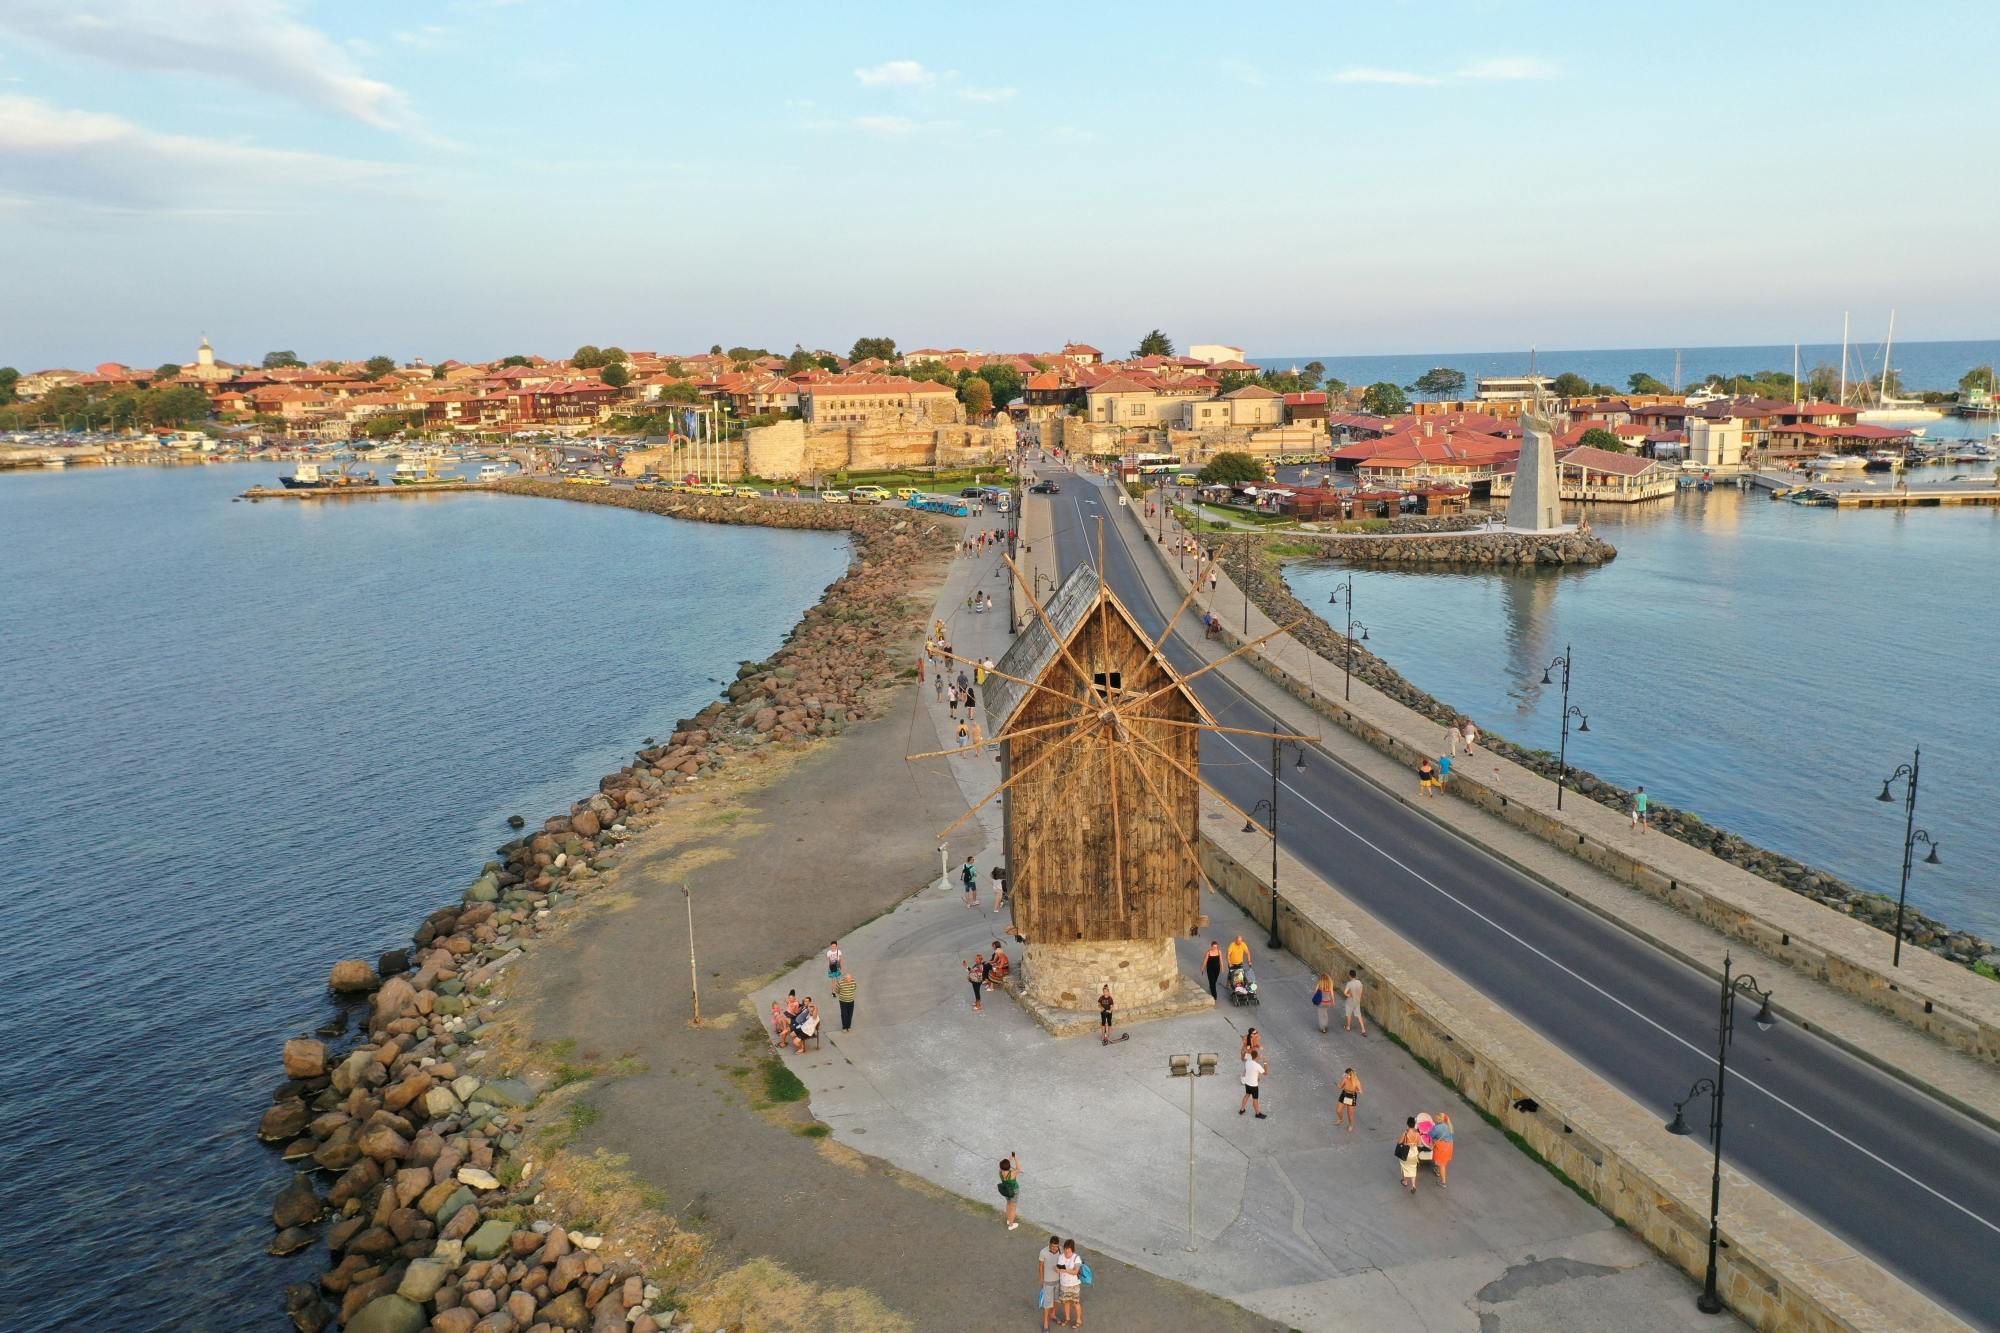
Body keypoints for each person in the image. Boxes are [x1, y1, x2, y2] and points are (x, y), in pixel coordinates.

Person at [1038, 1236, 1065, 1331]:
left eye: (1056, 1246)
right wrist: (1041, 1279)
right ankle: (1046, 1323)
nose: (1054, 1248)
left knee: (1056, 1300)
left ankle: (1053, 1315)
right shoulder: (1043, 1252)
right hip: (1048, 1282)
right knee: (1047, 1304)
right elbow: (1040, 1266)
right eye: (1052, 1246)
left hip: (1058, 1281)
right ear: (1049, 1244)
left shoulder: (1061, 1250)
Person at [1057, 1240, 1084, 1327]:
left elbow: (1075, 1272)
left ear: (1072, 1249)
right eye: (1065, 1249)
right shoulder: (1061, 1257)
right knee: (1066, 1302)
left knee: (1076, 1302)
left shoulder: (1076, 1258)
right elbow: (1058, 1269)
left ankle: (1079, 1320)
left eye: (1069, 1249)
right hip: (1064, 1284)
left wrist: (1065, 1270)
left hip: (1074, 1285)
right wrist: (1059, 1270)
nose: (1067, 1251)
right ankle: (1067, 1318)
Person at [1240, 1046, 1268, 1118]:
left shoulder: (1248, 1062)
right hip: (1254, 1085)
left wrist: (1244, 1051)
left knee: (1247, 1095)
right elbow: (1266, 1073)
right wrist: (1265, 1062)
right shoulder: (1257, 1066)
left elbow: (1243, 1058)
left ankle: (1242, 1109)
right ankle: (1257, 1113)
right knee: (1255, 1100)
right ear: (1256, 1057)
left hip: (1247, 1083)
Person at [1396, 1118, 1423, 1193]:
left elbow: (1399, 1142)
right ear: (1414, 1124)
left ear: (1407, 1124)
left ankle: (1405, 1181)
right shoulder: (1417, 1133)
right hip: (1414, 1152)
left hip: (1406, 1153)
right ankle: (1413, 1185)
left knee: (1405, 1168)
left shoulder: (1405, 1133)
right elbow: (1419, 1144)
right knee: (1413, 1168)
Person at [998, 1152, 1022, 1230]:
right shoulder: (1012, 1173)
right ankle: (1011, 1225)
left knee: (1008, 1204)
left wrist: (1010, 1158)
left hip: (1007, 1191)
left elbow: (1004, 1167)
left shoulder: (1000, 1172)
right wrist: (1015, 1158)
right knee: (1013, 1208)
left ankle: (1009, 1220)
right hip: (1014, 1191)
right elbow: (1019, 1168)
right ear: (1009, 1167)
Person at [1431, 1111, 1455, 1188]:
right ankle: (1437, 1170)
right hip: (1449, 1146)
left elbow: (1430, 1135)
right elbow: (1452, 1137)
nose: (1434, 1119)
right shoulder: (1449, 1126)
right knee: (1443, 1161)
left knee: (1442, 1165)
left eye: (1436, 1118)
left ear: (1439, 1119)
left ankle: (1443, 1182)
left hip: (1442, 1147)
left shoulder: (1437, 1127)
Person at [1342, 969, 1367, 1036]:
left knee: (1349, 1014)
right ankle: (1363, 1029)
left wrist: (1348, 995)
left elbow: (1345, 992)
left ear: (1350, 975)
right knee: (1359, 1015)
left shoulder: (1349, 983)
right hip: (1357, 1001)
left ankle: (1348, 1027)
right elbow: (1361, 992)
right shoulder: (1359, 982)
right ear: (1355, 975)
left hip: (1350, 1001)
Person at [1336, 1068, 1362, 1132]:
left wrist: (1357, 1090)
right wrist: (1338, 1085)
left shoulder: (1356, 1081)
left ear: (1350, 1075)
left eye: (1347, 1074)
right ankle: (1341, 1119)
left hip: (1350, 1096)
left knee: (1350, 1113)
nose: (1345, 1075)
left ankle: (1351, 1125)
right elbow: (1341, 1086)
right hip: (1344, 1094)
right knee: (1338, 1110)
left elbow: (1361, 1091)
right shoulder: (1345, 1079)